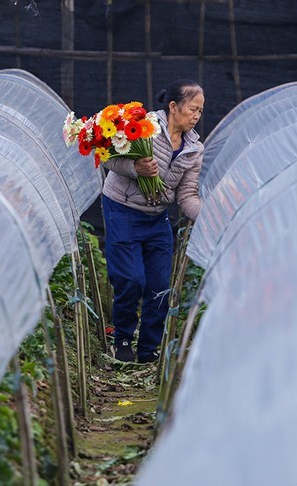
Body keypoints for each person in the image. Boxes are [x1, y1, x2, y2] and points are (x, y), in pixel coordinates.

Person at [102, 79, 204, 363]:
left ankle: (148, 349)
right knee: (131, 279)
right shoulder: (142, 126)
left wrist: (211, 216)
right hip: (121, 209)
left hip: (156, 217)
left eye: (200, 111)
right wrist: (135, 167)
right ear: (174, 107)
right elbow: (108, 159)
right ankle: (121, 340)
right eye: (192, 109)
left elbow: (186, 196)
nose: (196, 116)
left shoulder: (193, 149)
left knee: (159, 286)